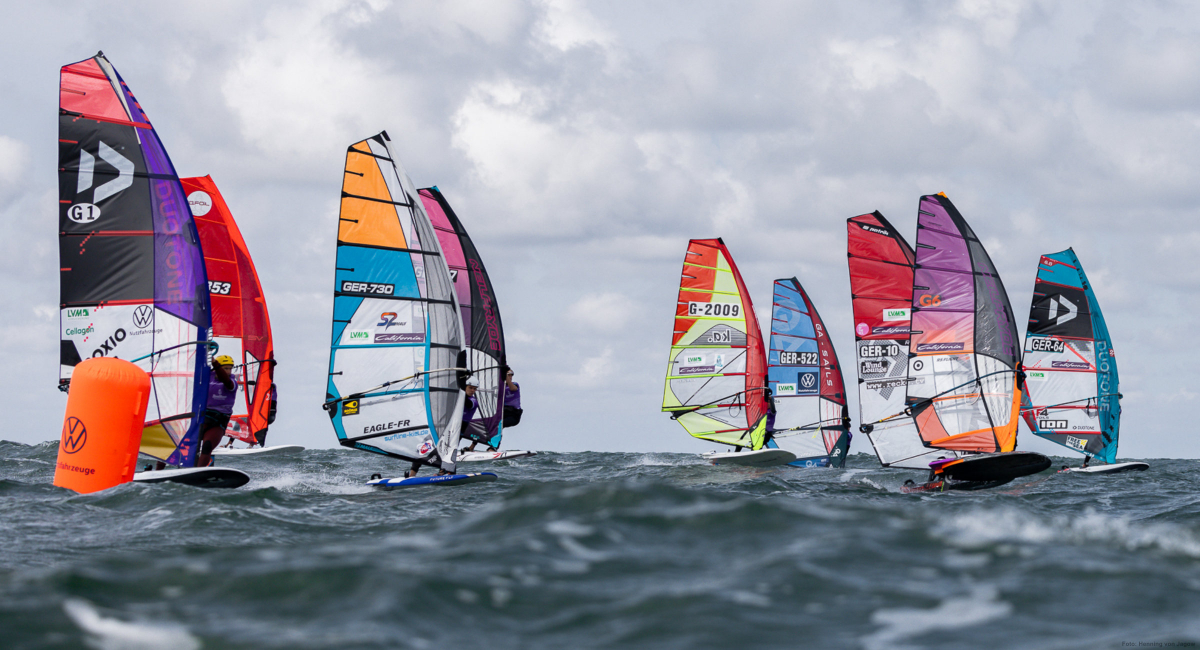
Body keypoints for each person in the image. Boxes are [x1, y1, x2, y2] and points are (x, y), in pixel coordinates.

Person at [196, 355, 238, 468]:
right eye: (226, 368)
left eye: (230, 368)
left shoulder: (232, 382)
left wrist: (215, 363)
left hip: (218, 422)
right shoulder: (207, 377)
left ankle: (196, 473)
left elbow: (226, 380)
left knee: (207, 447)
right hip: (202, 418)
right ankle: (157, 472)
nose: (229, 371)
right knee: (178, 442)